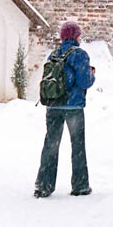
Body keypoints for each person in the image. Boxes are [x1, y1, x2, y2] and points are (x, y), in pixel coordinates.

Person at [34, 20, 95, 198]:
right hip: (73, 106)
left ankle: (43, 185)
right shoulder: (80, 54)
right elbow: (84, 82)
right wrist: (91, 75)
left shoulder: (53, 54)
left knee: (50, 145)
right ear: (76, 36)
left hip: (53, 105)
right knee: (77, 146)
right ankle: (80, 185)